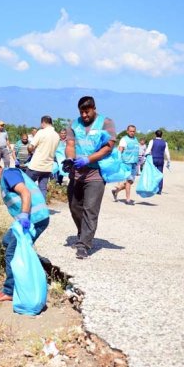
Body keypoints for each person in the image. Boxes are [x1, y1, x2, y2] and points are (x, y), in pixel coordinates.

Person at [0, 161, 50, 302]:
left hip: (34, 219)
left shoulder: (9, 174)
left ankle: (9, 291)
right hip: (27, 220)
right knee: (7, 241)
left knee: (12, 252)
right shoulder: (8, 176)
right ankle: (40, 264)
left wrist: (24, 214)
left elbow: (25, 192)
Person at [65, 96, 117, 259]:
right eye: (82, 112)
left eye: (87, 112)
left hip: (95, 174)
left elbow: (108, 148)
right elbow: (70, 145)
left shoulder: (105, 123)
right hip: (76, 173)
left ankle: (84, 244)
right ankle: (83, 233)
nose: (84, 115)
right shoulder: (74, 124)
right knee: (74, 206)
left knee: (90, 209)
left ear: (94, 108)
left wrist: (88, 159)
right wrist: (70, 159)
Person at [26, 115, 60, 199]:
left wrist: (30, 151)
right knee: (43, 188)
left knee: (26, 184)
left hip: (36, 164)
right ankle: (42, 208)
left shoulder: (41, 132)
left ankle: (27, 204)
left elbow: (31, 146)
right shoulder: (57, 135)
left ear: (43, 123)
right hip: (48, 166)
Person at [111, 125, 140, 205]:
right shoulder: (124, 139)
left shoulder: (135, 139)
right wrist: (118, 161)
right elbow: (120, 151)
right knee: (128, 180)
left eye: (133, 131)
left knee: (131, 182)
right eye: (130, 131)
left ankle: (116, 191)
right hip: (126, 163)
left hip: (134, 163)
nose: (132, 133)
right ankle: (128, 200)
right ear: (127, 131)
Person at [145, 130, 171, 194]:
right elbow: (167, 152)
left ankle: (151, 188)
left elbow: (148, 150)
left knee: (152, 174)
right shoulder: (165, 142)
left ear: (155, 134)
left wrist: (145, 156)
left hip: (153, 159)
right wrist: (168, 160)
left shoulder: (152, 141)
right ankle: (159, 190)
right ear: (161, 135)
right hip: (161, 160)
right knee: (160, 174)